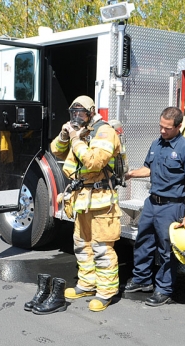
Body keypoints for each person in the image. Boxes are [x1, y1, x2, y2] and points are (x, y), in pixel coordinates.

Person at [49, 95, 122, 312]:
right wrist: (65, 135)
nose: (76, 118)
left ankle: (106, 292)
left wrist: (75, 139)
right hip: (82, 201)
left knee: (101, 248)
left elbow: (93, 162)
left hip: (102, 203)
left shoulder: (104, 131)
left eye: (81, 113)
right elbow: (56, 150)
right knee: (82, 246)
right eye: (73, 114)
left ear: (91, 112)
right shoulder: (81, 132)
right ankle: (87, 284)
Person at [124, 107, 185, 306]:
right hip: (152, 203)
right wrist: (131, 174)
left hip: (171, 206)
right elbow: (148, 169)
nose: (162, 131)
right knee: (143, 243)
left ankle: (164, 289)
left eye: (167, 128)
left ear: (179, 126)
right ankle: (141, 280)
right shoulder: (156, 144)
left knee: (166, 250)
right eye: (161, 126)